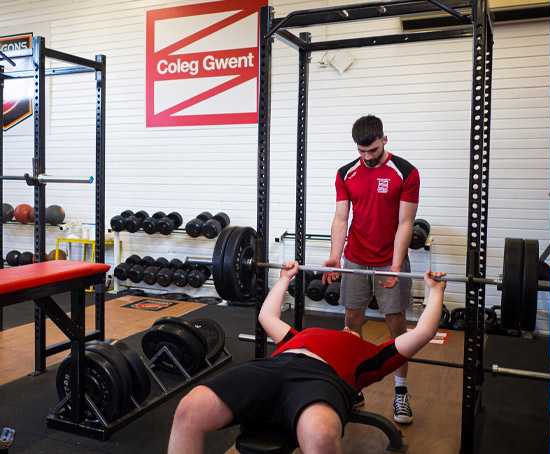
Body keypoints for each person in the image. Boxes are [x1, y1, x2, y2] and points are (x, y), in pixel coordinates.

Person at [167, 262, 446, 454]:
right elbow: (267, 316)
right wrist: (285, 278)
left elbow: (423, 332)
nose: (348, 328)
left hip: (319, 381)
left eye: (353, 330)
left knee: (322, 436)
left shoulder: (372, 357)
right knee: (188, 409)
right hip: (272, 367)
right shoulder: (297, 337)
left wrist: (436, 291)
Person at [322, 114, 420, 423]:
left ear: (384, 140)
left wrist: (394, 265)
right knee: (352, 320)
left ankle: (401, 392)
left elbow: (406, 223)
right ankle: (354, 383)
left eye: (373, 151)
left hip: (390, 259)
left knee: (395, 324)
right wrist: (335, 256)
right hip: (355, 257)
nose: (367, 157)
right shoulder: (346, 173)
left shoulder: (406, 173)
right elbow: (341, 218)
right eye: (361, 152)